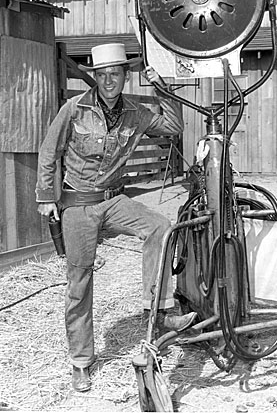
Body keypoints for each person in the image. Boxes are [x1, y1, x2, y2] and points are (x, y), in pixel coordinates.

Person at [35, 43, 196, 392]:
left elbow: (171, 126)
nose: (109, 80)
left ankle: (159, 308)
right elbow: (49, 152)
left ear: (125, 76)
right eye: (103, 75)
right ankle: (81, 361)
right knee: (79, 283)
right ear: (95, 78)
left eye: (116, 74)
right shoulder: (74, 109)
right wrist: (46, 198)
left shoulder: (135, 113)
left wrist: (161, 87)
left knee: (161, 227)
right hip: (77, 205)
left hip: (114, 200)